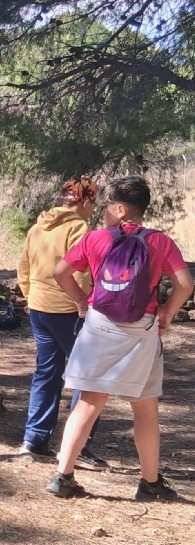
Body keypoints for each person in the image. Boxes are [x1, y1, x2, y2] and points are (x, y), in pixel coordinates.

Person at [47, 176, 194, 501]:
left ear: (120, 209)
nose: (102, 214)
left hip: (99, 326)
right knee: (144, 410)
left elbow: (60, 272)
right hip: (141, 332)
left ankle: (63, 476)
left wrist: (81, 302)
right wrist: (167, 312)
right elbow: (184, 283)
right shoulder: (161, 242)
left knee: (87, 403)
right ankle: (150, 482)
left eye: (106, 208)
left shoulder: (96, 239)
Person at [17, 178, 106, 470]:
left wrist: (31, 295)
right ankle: (77, 446)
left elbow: (23, 268)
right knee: (87, 376)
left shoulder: (37, 226)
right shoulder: (79, 228)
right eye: (92, 203)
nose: (92, 210)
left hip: (39, 310)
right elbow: (79, 272)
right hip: (69, 311)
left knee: (47, 372)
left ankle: (33, 440)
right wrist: (83, 302)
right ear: (84, 201)